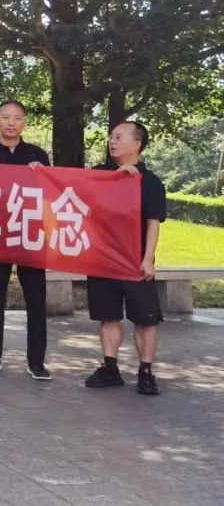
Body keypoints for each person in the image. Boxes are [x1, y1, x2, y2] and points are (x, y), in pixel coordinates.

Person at [0, 100, 52, 380]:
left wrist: (42, 174)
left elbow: (50, 193)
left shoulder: (37, 155)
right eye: (6, 117)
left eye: (17, 118)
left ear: (24, 122)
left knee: (36, 298)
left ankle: (37, 361)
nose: (11, 123)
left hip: (29, 233)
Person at [83, 121, 166, 395]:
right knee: (107, 317)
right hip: (102, 259)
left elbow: (153, 223)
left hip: (134, 261)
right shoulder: (98, 175)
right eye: (111, 136)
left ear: (137, 144)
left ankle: (146, 372)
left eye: (119, 137)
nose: (112, 141)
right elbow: (74, 194)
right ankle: (110, 368)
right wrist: (115, 179)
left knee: (145, 319)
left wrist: (148, 258)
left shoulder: (150, 182)